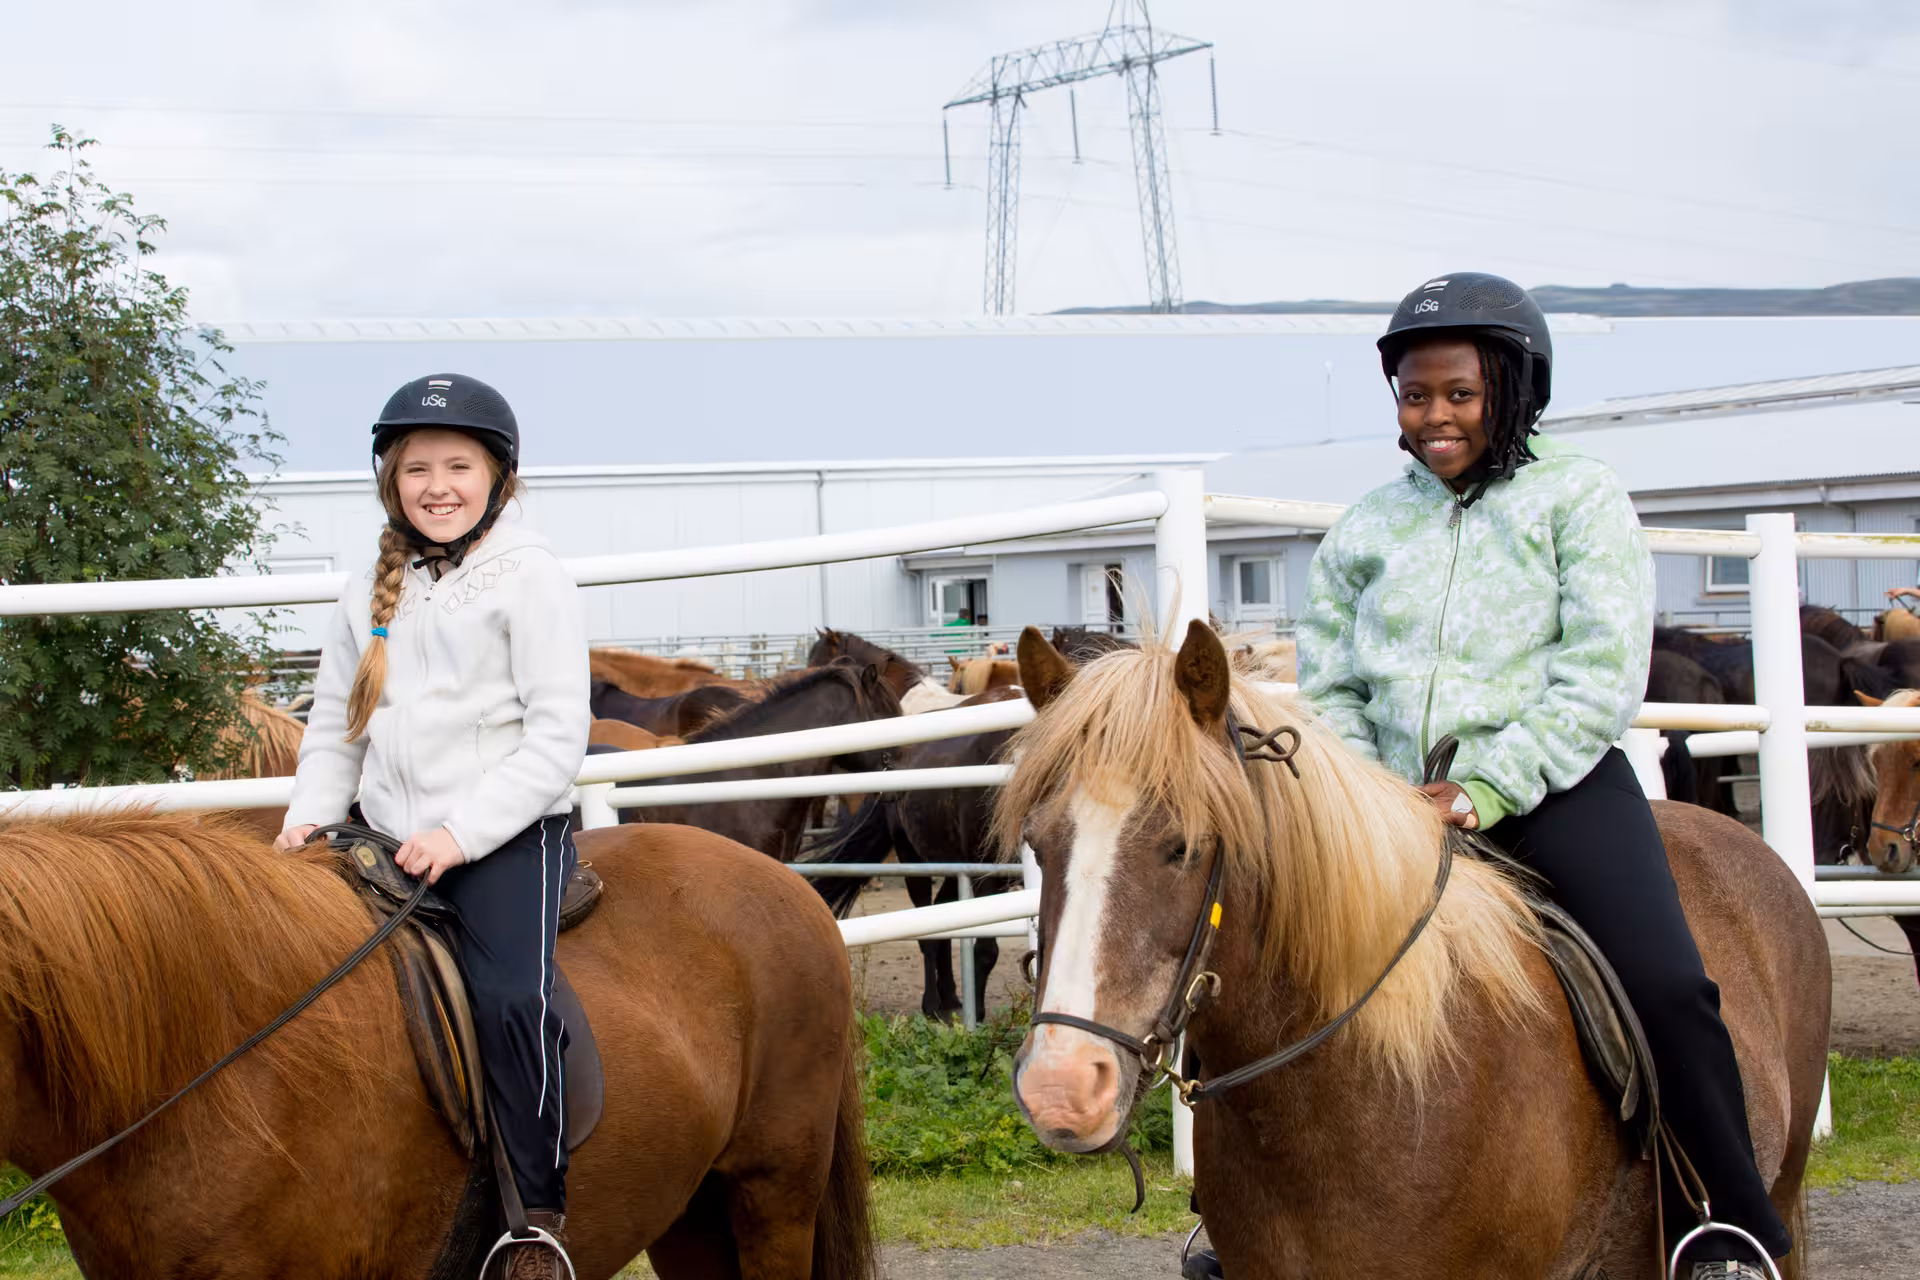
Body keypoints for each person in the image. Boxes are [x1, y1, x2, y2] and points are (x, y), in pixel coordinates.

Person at [1197, 274, 1783, 1280]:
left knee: (1667, 981)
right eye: (1415, 396)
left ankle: (1730, 1221)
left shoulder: (1579, 497)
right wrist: (1365, 797)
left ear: (1511, 387)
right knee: (1267, 970)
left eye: (1458, 394)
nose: (1433, 417)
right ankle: (1241, 1221)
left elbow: (1598, 675)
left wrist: (1484, 788)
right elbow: (1330, 685)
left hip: (1554, 788)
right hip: (1384, 809)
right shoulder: (1366, 530)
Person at [276, 374, 590, 1280]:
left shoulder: (529, 578)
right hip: (380, 829)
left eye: (459, 465)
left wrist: (460, 832)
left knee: (509, 998)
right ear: (391, 482)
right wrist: (308, 823)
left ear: (500, 478)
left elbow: (555, 737)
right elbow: (339, 727)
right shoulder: (368, 588)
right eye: (418, 468)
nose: (438, 485)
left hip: (504, 831)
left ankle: (535, 1217)